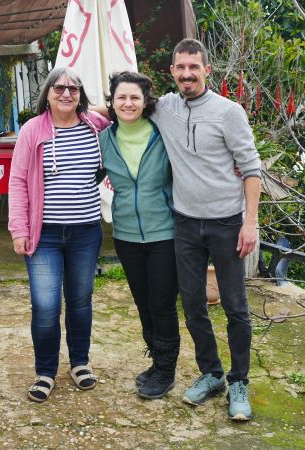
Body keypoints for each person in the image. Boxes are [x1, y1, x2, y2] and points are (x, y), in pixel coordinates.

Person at [153, 38, 261, 421]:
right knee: (193, 305)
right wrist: (71, 108)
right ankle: (212, 374)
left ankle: (239, 382)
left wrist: (250, 222)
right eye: (180, 68)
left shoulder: (228, 112)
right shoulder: (163, 108)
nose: (187, 74)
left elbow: (251, 168)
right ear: (172, 71)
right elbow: (122, 105)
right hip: (184, 223)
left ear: (206, 70)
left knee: (236, 307)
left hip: (227, 224)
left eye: (193, 67)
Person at [8, 67, 110, 403]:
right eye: (59, 88)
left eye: (74, 89)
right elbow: (17, 181)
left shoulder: (95, 126)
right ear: (47, 93)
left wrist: (97, 108)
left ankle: (80, 363)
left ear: (81, 95)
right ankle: (45, 372)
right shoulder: (32, 130)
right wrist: (19, 229)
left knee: (80, 301)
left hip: (86, 232)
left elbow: (125, 111)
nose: (66, 93)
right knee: (45, 305)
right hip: (45, 235)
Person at [97, 71, 180, 400]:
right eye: (121, 97)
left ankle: (166, 370)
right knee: (143, 302)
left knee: (162, 303)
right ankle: (157, 361)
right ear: (112, 102)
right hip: (126, 234)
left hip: (164, 233)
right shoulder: (104, 139)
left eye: (135, 97)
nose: (128, 103)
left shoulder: (163, 133)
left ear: (146, 102)